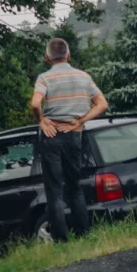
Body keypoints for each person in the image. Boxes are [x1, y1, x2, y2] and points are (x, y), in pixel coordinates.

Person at [31, 37, 108, 241]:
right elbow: (102, 104)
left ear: (48, 57)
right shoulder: (84, 77)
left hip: (52, 135)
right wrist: (80, 121)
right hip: (74, 135)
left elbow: (35, 103)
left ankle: (62, 239)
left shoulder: (44, 78)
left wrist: (41, 121)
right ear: (68, 55)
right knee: (75, 187)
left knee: (55, 191)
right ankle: (84, 235)